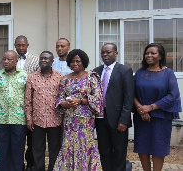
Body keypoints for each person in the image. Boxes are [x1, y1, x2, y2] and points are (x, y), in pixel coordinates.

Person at [133, 43, 182, 171]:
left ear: (160, 56)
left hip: (161, 117)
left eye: (153, 53)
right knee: (142, 148)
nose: (149, 55)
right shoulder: (139, 72)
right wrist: (141, 109)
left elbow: (173, 95)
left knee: (158, 149)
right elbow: (131, 93)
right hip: (141, 117)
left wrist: (151, 107)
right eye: (147, 53)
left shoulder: (168, 73)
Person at [53, 49, 103, 170]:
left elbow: (98, 99)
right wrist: (65, 103)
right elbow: (60, 98)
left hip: (85, 121)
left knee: (85, 146)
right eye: (72, 61)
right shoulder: (65, 79)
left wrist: (80, 101)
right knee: (68, 145)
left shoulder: (91, 77)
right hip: (70, 120)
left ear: (83, 62)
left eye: (78, 61)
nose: (75, 64)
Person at [94, 43, 134, 171]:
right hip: (100, 119)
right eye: (103, 53)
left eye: (108, 52)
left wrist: (124, 120)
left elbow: (128, 98)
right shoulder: (96, 71)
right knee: (104, 151)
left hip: (118, 120)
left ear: (116, 53)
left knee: (119, 152)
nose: (105, 55)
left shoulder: (125, 71)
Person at [25, 51, 63, 171]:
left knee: (55, 149)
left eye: (46, 59)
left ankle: (53, 169)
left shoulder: (60, 77)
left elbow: (62, 98)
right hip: (37, 120)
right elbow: (27, 100)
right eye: (41, 58)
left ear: (52, 61)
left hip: (55, 120)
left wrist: (63, 119)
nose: (43, 60)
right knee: (37, 149)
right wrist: (29, 119)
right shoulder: (32, 77)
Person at [0, 50, 28, 171]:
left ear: (16, 61)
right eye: (4, 59)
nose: (6, 62)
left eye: (9, 59)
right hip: (2, 119)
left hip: (19, 119)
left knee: (18, 149)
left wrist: (28, 117)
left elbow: (28, 98)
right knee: (4, 149)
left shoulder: (24, 76)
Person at [14, 35, 39, 171]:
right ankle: (18, 165)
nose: (21, 48)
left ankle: (30, 163)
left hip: (31, 104)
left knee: (31, 138)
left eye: (23, 45)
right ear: (15, 46)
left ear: (27, 45)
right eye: (18, 45)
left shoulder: (35, 60)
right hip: (15, 104)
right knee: (18, 137)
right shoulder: (10, 59)